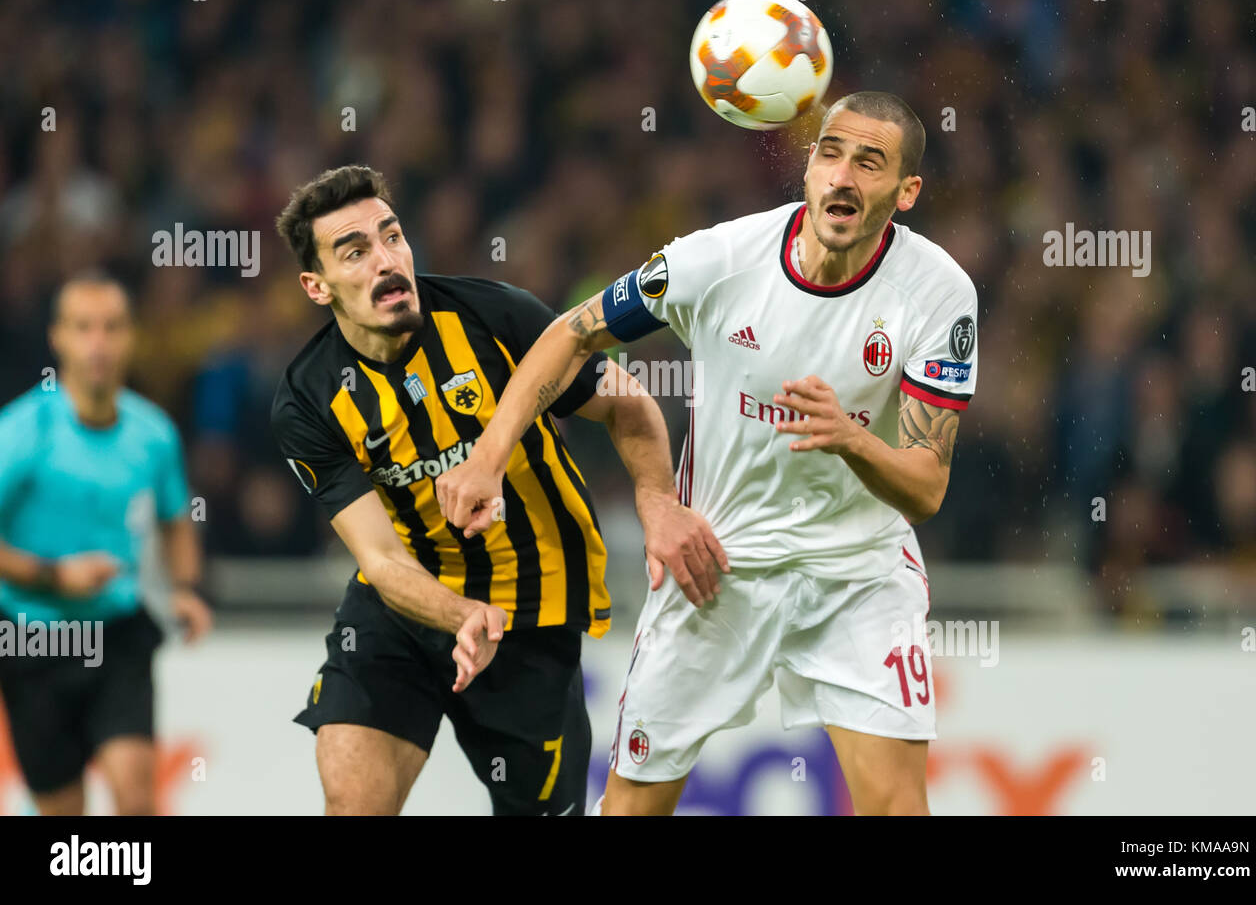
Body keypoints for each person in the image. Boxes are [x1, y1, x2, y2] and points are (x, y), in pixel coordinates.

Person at [436, 92, 978, 815]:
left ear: (906, 192)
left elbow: (926, 487)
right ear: (809, 166)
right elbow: (573, 332)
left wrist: (850, 437)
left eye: (869, 163)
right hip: (716, 567)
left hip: (858, 574)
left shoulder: (937, 293)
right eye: (830, 153)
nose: (843, 176)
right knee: (632, 807)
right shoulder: (720, 259)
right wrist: (488, 456)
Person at [270, 165, 722, 815]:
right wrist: (461, 616)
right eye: (355, 250)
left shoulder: (493, 316)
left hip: (536, 614)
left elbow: (628, 405)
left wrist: (655, 501)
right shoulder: (309, 400)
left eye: (392, 236)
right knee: (352, 800)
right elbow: (381, 560)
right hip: (405, 613)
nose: (386, 260)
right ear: (317, 286)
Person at [0, 272, 211, 815]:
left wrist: (184, 588)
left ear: (131, 337)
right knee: (64, 819)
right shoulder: (22, 430)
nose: (98, 343)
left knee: (136, 797)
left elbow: (175, 518)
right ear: (57, 338)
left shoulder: (154, 434)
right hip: (33, 643)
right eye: (83, 327)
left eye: (112, 327)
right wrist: (54, 575)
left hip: (117, 633)